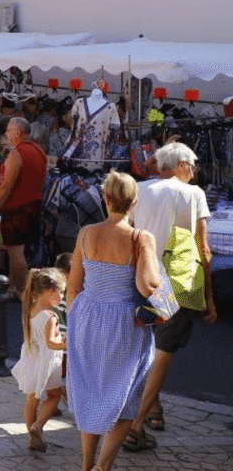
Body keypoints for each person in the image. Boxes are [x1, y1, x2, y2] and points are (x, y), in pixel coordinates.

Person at [124, 142, 215, 453]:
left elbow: (130, 230)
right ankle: (135, 427)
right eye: (192, 165)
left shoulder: (140, 189)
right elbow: (203, 250)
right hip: (175, 280)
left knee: (144, 345)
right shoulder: (194, 194)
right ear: (181, 165)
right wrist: (209, 298)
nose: (194, 171)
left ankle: (153, 409)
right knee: (162, 352)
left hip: (141, 276)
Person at [66, 171, 160, 471]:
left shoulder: (86, 233)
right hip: (123, 321)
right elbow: (148, 285)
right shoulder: (140, 237)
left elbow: (73, 285)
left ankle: (86, 464)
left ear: (106, 199)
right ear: (134, 202)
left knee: (91, 391)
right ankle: (102, 467)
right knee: (126, 395)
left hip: (86, 317)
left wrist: (74, 320)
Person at [0, 118, 47, 294]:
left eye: (8, 131)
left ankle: (20, 290)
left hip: (18, 208)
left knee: (16, 251)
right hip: (33, 205)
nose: (6, 134)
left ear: (17, 133)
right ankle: (14, 288)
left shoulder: (18, 153)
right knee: (17, 251)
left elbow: (7, 185)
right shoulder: (39, 150)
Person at [12, 267, 67, 453]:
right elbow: (51, 343)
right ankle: (38, 426)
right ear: (51, 292)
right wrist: (65, 344)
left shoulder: (30, 307)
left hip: (31, 359)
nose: (61, 297)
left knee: (31, 399)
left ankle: (31, 437)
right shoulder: (50, 316)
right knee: (54, 396)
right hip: (47, 362)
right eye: (61, 292)